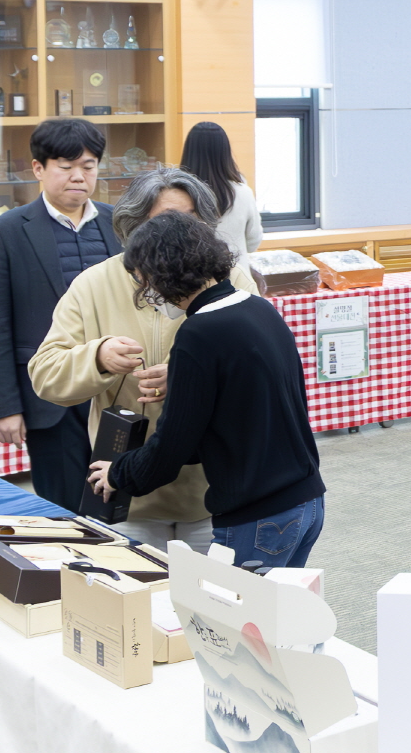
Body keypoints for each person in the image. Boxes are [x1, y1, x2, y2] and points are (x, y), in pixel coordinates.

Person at [28, 168, 256, 550]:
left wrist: (191, 378)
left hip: (213, 492)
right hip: (126, 492)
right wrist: (97, 357)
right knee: (134, 605)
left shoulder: (230, 278)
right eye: (164, 222)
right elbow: (45, 375)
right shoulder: (94, 283)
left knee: (213, 605)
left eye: (190, 221)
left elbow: (258, 369)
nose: (178, 234)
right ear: (133, 227)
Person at [87, 214, 325, 567]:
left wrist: (118, 473)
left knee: (234, 621)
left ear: (162, 274)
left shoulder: (199, 334)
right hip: (306, 499)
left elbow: (172, 446)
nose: (148, 293)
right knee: (281, 616)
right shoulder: (258, 308)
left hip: (255, 513)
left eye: (145, 281)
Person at [0, 118, 121, 512]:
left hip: (113, 388)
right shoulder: (5, 231)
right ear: (38, 168)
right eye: (66, 166)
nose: (79, 176)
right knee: (63, 505)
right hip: (48, 395)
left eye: (88, 166)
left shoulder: (120, 222)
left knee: (119, 499)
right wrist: (5, 407)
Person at [181, 120, 263, 257]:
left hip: (190, 275)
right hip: (235, 275)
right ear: (225, 152)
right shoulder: (243, 193)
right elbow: (253, 242)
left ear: (188, 152)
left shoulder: (175, 195)